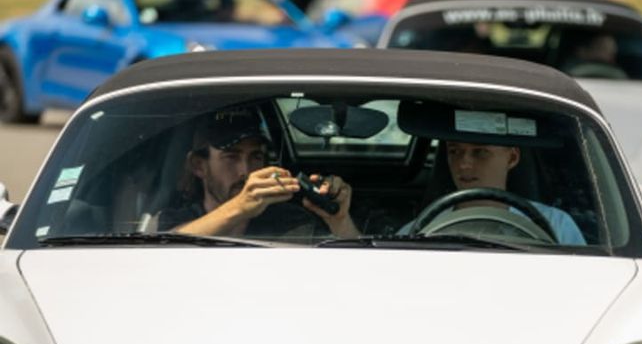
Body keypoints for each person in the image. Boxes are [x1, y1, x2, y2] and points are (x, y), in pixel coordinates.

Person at [160, 109, 359, 239]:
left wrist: (340, 222)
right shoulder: (174, 219)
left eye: (255, 156)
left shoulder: (291, 222)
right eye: (231, 157)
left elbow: (350, 270)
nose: (245, 171)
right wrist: (240, 208)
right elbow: (161, 253)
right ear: (198, 166)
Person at [401, 141, 585, 245]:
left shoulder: (557, 225)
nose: (463, 164)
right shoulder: (421, 229)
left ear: (512, 157)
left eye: (480, 152)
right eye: (454, 151)